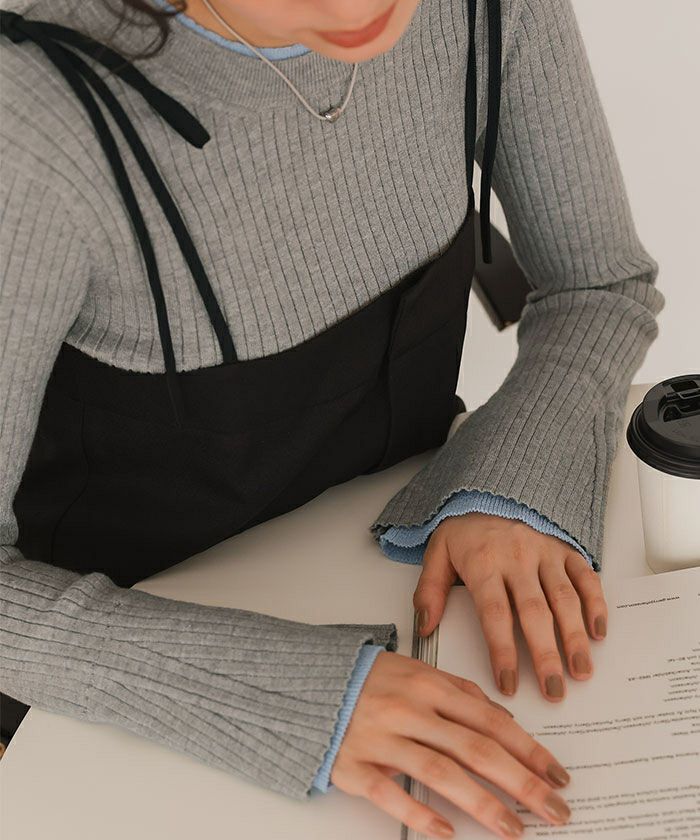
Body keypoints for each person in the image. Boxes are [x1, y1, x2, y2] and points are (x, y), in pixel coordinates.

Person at [0, 0, 663, 837]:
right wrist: (297, 698)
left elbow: (597, 286)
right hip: (100, 708)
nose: (356, 6)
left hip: (401, 597)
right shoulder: (31, 125)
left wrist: (509, 483)